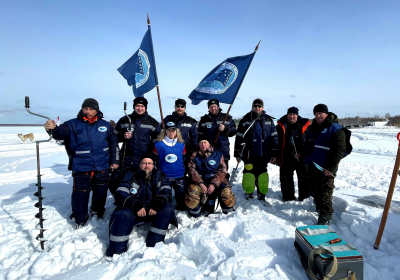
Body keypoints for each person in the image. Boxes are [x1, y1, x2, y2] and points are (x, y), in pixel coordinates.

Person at [44, 98, 119, 228]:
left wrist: (115, 160)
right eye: (86, 108)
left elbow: (114, 143)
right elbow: (60, 134)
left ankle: (97, 211)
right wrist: (53, 129)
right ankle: (79, 218)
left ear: (97, 110)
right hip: (81, 167)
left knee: (101, 192)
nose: (88, 111)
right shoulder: (72, 124)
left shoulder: (105, 125)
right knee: (80, 193)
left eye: (91, 109)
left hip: (102, 166)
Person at [106, 155, 178, 257]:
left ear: (153, 165)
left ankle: (155, 243)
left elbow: (166, 192)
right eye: (144, 163)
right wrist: (135, 204)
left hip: (152, 210)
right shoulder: (131, 175)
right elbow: (121, 193)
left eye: (149, 163)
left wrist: (157, 203)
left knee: (168, 209)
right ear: (139, 165)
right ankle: (116, 251)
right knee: (122, 213)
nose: (147, 166)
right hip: (135, 211)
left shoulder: (160, 176)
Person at [304, 104, 350, 225]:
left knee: (324, 193)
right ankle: (320, 210)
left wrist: (330, 168)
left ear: (326, 113)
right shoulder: (313, 127)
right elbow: (309, 145)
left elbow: (339, 150)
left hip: (326, 168)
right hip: (313, 165)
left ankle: (324, 219)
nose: (318, 116)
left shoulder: (335, 129)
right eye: (316, 113)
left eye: (321, 113)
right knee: (315, 191)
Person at [110, 97, 161, 194]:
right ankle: (122, 199)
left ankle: (141, 201)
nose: (140, 108)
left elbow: (157, 143)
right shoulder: (125, 120)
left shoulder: (152, 122)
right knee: (119, 180)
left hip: (144, 159)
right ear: (134, 107)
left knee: (142, 182)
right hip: (126, 158)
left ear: (145, 108)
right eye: (137, 106)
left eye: (142, 106)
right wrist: (123, 135)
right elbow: (114, 137)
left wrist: (153, 158)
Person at [234, 98, 278, 201]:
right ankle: (248, 192)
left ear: (263, 107)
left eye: (259, 106)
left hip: (264, 153)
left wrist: (274, 153)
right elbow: (239, 136)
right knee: (249, 173)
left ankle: (261, 193)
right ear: (252, 107)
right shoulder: (245, 120)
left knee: (262, 174)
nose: (257, 108)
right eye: (255, 106)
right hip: (249, 153)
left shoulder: (268, 120)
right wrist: (237, 152)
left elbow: (274, 137)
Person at [186, 139, 236, 218]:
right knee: (192, 190)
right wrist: (201, 183)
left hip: (216, 181)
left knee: (226, 191)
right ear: (198, 144)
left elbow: (222, 171)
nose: (203, 145)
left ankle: (229, 213)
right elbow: (191, 171)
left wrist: (214, 184)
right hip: (200, 181)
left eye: (205, 142)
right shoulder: (194, 156)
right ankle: (195, 214)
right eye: (201, 143)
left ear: (209, 144)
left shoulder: (218, 155)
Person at [276, 107, 311, 201]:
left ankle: (304, 197)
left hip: (301, 157)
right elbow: (275, 141)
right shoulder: (280, 126)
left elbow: (310, 142)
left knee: (304, 178)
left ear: (297, 115)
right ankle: (288, 197)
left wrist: (302, 153)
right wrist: (275, 156)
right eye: (290, 115)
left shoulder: (305, 125)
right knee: (286, 178)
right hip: (286, 156)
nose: (292, 117)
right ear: (287, 115)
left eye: (294, 115)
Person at [153, 122, 187, 210]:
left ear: (176, 131)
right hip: (165, 177)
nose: (171, 132)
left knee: (181, 199)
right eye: (169, 130)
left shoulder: (181, 144)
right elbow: (154, 160)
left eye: (173, 130)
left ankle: (181, 212)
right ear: (165, 132)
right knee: (165, 199)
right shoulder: (158, 144)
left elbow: (184, 158)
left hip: (179, 176)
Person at [198, 98, 236, 172]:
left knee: (223, 172)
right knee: (210, 171)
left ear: (218, 107)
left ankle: (225, 183)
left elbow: (234, 131)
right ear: (208, 108)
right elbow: (200, 135)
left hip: (223, 150)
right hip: (209, 151)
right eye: (211, 107)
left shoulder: (226, 118)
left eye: (215, 106)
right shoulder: (204, 120)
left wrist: (225, 129)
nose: (213, 108)